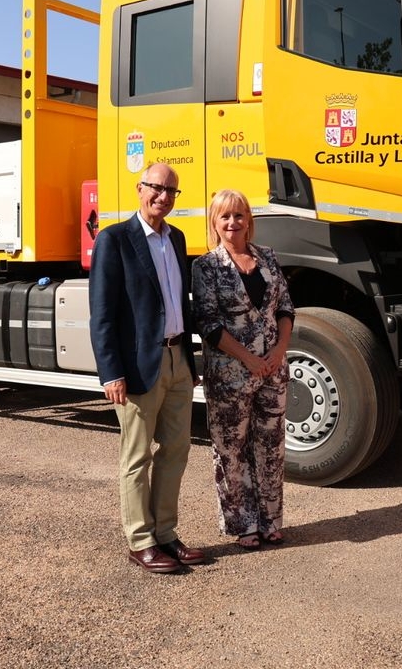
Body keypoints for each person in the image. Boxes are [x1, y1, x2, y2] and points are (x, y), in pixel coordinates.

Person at [89, 162, 205, 574]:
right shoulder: (115, 239)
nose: (164, 197)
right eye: (157, 188)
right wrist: (111, 373)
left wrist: (190, 361)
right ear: (140, 189)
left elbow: (181, 305)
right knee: (136, 456)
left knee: (176, 450)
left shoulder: (177, 240)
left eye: (172, 191)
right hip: (138, 366)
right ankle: (140, 541)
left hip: (176, 359)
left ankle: (167, 534)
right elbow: (102, 314)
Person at [192, 190, 294, 550]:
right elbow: (208, 323)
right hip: (230, 373)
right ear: (214, 223)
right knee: (231, 449)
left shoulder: (268, 257)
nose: (232, 223)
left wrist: (278, 352)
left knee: (271, 445)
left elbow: (285, 309)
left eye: (239, 215)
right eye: (224, 217)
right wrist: (250, 359)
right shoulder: (206, 266)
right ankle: (243, 524)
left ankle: (270, 520)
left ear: (249, 219)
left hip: (273, 371)